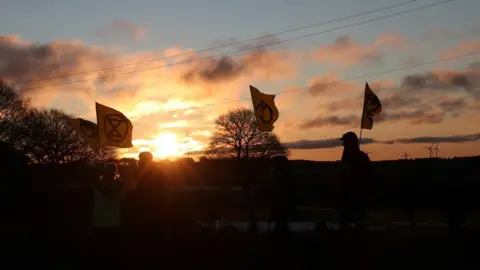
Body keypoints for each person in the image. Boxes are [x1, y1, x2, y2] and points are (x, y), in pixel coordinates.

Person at [121, 152, 169, 244]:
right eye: (140, 159)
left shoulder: (160, 174)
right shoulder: (135, 174)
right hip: (140, 213)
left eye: (143, 159)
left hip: (154, 213)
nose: (140, 161)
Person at [338, 131, 373, 232]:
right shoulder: (349, 157)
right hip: (348, 196)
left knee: (358, 225)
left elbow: (366, 177)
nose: (343, 144)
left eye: (344, 142)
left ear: (350, 143)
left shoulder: (358, 158)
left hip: (357, 196)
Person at [268, 155, 296, 237]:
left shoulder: (277, 172)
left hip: (280, 201)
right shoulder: (285, 172)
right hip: (281, 201)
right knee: (282, 222)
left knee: (281, 222)